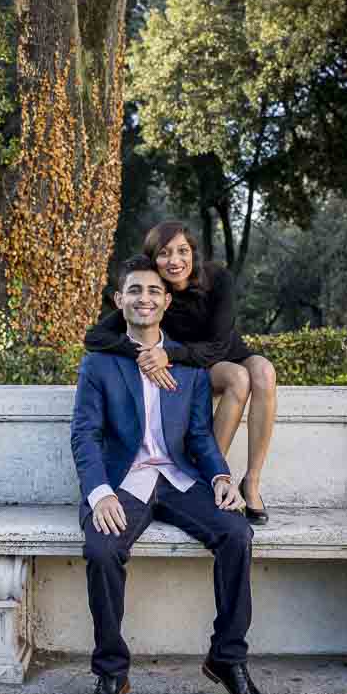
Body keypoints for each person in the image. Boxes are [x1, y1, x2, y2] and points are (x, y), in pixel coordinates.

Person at [71, 253, 274, 694]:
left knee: (237, 533)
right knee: (101, 549)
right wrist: (99, 492)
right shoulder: (99, 364)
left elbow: (201, 437)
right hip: (124, 482)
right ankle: (110, 673)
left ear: (166, 302)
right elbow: (84, 434)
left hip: (179, 478)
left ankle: (227, 658)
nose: (145, 298)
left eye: (154, 292)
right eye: (135, 291)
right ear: (119, 301)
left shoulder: (187, 365)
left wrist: (223, 477)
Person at [85, 220, 276, 524]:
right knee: (238, 379)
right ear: (153, 259)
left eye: (182, 251)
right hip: (197, 368)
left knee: (263, 371)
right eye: (164, 253)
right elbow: (95, 338)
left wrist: (167, 353)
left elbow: (217, 344)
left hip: (223, 352)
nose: (175, 261)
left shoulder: (218, 279)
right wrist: (145, 354)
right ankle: (211, 471)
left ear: (193, 252)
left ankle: (251, 482)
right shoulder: (154, 295)